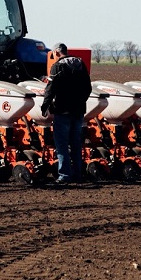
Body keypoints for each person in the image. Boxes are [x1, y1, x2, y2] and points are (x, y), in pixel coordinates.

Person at [40, 43, 93, 184]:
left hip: (62, 110)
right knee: (76, 142)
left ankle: (64, 175)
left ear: (57, 53)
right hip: (79, 110)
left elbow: (50, 88)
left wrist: (45, 105)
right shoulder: (80, 64)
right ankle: (78, 174)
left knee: (62, 143)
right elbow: (88, 87)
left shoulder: (57, 66)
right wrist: (81, 101)